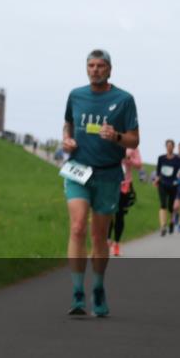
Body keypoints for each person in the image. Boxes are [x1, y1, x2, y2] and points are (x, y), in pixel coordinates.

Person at [61, 49, 139, 317]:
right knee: (78, 226)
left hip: (108, 173)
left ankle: (97, 286)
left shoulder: (124, 99)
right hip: (78, 170)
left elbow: (134, 140)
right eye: (91, 65)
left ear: (109, 69)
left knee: (98, 235)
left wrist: (116, 136)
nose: (95, 69)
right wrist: (67, 140)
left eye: (100, 65)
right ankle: (77, 292)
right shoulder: (76, 95)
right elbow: (67, 124)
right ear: (86, 68)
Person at [108, 147, 142, 257]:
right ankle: (107, 240)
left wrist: (128, 159)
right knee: (107, 213)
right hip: (109, 182)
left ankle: (116, 244)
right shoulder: (111, 141)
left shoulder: (132, 146)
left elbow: (139, 165)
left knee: (119, 215)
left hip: (124, 185)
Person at [154, 140, 180, 236]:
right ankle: (163, 226)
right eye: (167, 146)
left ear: (173, 147)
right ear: (165, 147)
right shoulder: (161, 158)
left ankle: (171, 222)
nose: (169, 147)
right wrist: (157, 179)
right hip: (162, 184)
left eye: (171, 146)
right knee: (163, 204)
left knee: (171, 207)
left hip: (173, 185)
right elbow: (158, 171)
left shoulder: (177, 159)